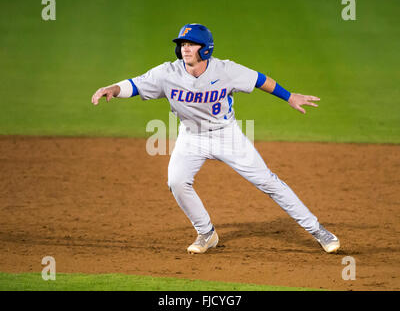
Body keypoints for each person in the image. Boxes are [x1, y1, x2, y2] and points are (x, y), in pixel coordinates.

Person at [91, 23, 340, 254]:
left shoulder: (226, 70)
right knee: (176, 182)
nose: (185, 48)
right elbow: (135, 85)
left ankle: (319, 231)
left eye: (191, 44)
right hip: (191, 137)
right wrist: (112, 89)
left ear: (206, 49)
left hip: (226, 135)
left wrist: (289, 96)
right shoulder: (168, 73)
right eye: (183, 44)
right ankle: (206, 234)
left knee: (268, 182)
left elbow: (259, 79)